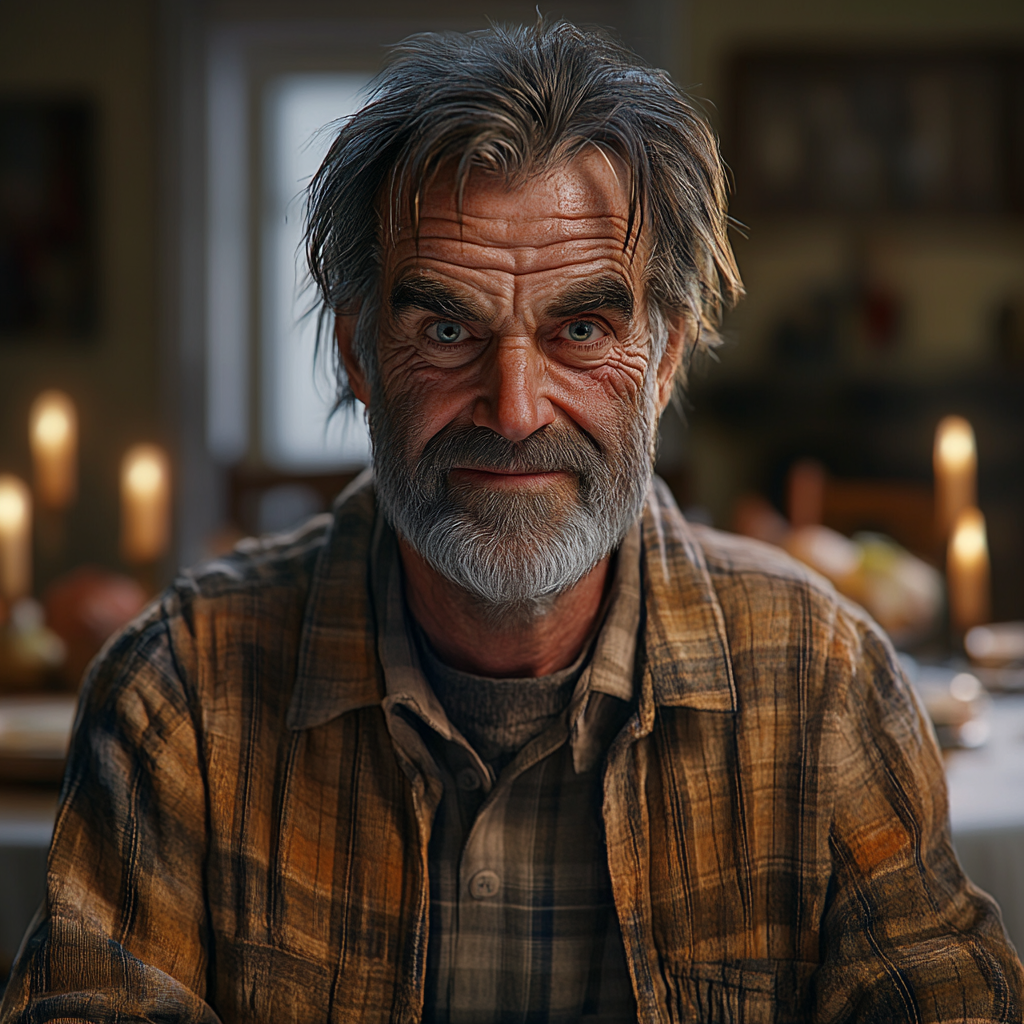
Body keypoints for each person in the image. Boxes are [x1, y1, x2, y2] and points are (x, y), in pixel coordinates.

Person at [2, 20, 1021, 1024]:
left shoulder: (823, 685)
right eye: (446, 328)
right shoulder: (178, 695)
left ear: (663, 360)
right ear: (358, 354)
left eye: (580, 329)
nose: (515, 407)